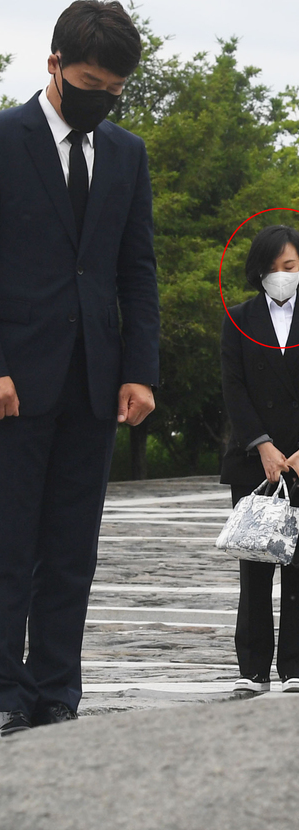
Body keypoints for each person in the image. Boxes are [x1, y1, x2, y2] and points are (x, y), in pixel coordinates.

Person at [0, 2, 159, 737]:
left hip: (96, 382)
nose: (102, 97)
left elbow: (137, 270)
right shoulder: (5, 139)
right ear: (55, 63)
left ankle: (58, 688)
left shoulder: (127, 154)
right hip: (13, 382)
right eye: (92, 80)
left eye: (115, 89)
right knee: (8, 541)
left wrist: (140, 369)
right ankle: (5, 689)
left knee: (71, 546)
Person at [220, 225, 299, 693]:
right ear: (258, 271)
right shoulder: (237, 318)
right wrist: (263, 444)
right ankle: (251, 669)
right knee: (255, 566)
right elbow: (234, 388)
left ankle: (295, 667)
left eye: (289, 267)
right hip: (255, 458)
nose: (281, 275)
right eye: (272, 268)